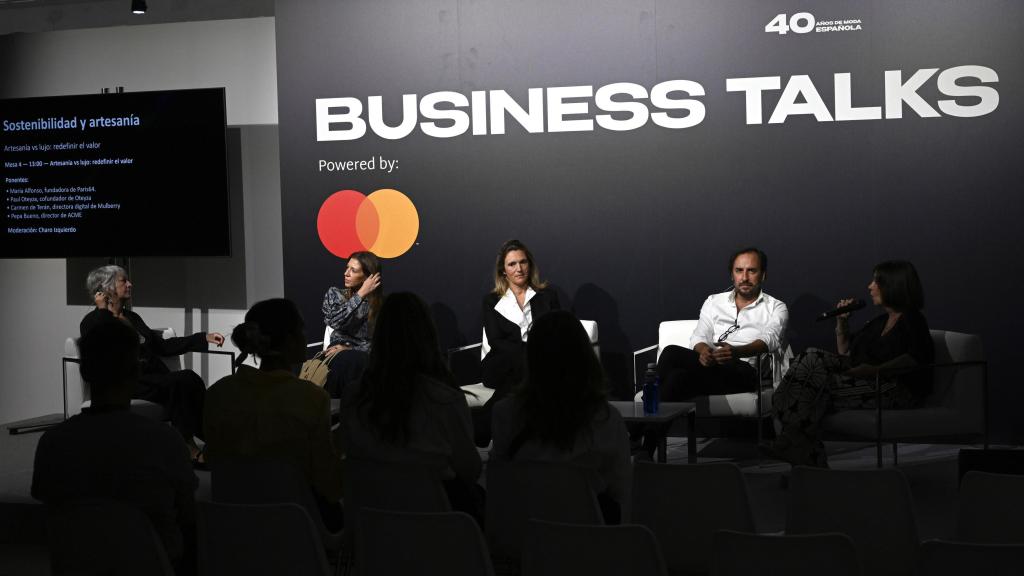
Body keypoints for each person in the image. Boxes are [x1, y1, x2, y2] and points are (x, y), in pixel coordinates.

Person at [33, 319, 198, 571]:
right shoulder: (164, 442)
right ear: (137, 371)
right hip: (151, 563)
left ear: (84, 371)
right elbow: (187, 512)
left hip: (78, 564)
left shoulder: (52, 444)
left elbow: (49, 511)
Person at [771, 260, 934, 467]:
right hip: (866, 381)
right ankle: (802, 452)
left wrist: (875, 370)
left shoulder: (913, 319)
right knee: (810, 360)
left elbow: (916, 357)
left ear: (893, 285)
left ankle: (799, 451)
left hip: (894, 388)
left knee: (809, 386)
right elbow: (845, 352)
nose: (870, 287)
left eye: (876, 282)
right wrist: (841, 322)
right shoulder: (878, 323)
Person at [338, 292, 483, 521]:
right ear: (428, 335)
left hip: (372, 534)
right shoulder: (444, 399)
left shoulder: (354, 398)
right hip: (438, 535)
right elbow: (470, 469)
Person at [203, 298, 344, 530]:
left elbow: (214, 458)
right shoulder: (311, 398)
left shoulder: (219, 393)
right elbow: (329, 484)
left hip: (232, 529)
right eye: (301, 329)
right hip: (296, 531)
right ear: (289, 340)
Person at [490, 310, 631, 524]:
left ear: (532, 357)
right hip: (588, 543)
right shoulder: (606, 420)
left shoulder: (504, 414)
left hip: (523, 540)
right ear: (585, 356)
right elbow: (620, 491)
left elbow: (499, 484)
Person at [80, 265, 225, 465]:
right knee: (182, 381)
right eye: (124, 281)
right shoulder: (92, 321)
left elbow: (162, 346)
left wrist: (203, 338)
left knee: (188, 379)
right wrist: (104, 311)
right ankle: (190, 445)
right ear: (106, 288)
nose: (130, 284)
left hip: (153, 378)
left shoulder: (133, 317)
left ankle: (208, 439)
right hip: (128, 381)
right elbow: (102, 353)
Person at [657, 247, 789, 401]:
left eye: (752, 271)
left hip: (745, 372)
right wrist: (704, 352)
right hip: (712, 368)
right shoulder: (714, 302)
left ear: (763, 275)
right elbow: (699, 336)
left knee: (672, 353)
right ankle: (643, 423)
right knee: (676, 378)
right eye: (739, 270)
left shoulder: (776, 307)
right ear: (732, 275)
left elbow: (770, 340)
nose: (744, 277)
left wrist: (736, 353)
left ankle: (638, 416)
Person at [477, 239, 560, 445]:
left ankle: (483, 428)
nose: (519, 268)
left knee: (522, 377)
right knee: (524, 362)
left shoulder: (547, 297)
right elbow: (496, 342)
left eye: (523, 262)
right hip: (500, 364)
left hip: (535, 366)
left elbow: (556, 332)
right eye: (512, 264)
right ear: (503, 270)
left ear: (529, 265)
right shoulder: (492, 301)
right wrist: (529, 351)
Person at [321, 251, 383, 398]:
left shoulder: (381, 305)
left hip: (364, 356)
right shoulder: (335, 294)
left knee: (358, 361)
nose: (346, 273)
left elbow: (381, 343)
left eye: (353, 270)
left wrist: (350, 348)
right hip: (337, 354)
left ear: (369, 277)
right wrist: (360, 295)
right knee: (348, 362)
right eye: (347, 268)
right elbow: (335, 321)